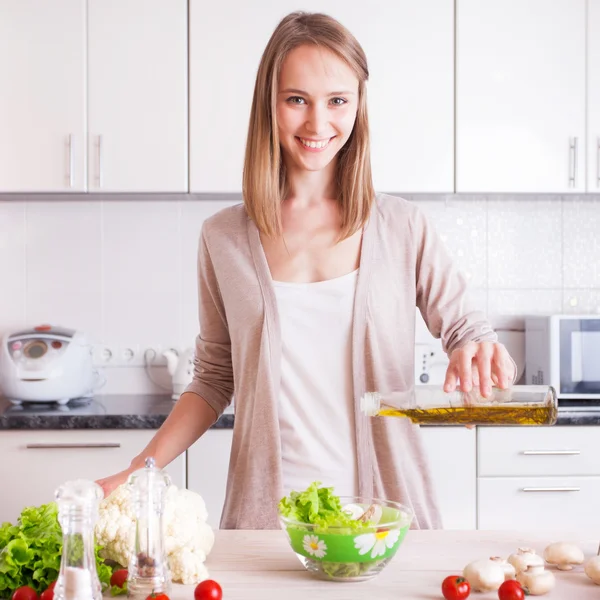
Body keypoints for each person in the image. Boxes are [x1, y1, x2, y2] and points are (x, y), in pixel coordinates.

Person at [97, 11, 516, 529]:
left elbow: (469, 331)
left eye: (337, 100)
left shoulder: (404, 226)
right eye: (297, 99)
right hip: (268, 527)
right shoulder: (223, 238)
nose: (318, 124)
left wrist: (482, 357)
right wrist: (142, 470)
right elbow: (212, 378)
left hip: (386, 523)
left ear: (359, 106)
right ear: (269, 105)